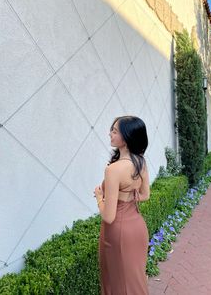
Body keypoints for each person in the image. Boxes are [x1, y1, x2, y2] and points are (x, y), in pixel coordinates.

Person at [93, 115, 150, 295]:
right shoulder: (140, 162)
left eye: (115, 131)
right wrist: (127, 196)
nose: (110, 133)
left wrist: (99, 197)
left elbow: (108, 216)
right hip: (137, 227)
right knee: (134, 281)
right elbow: (144, 195)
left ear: (125, 138)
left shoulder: (113, 169)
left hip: (118, 233)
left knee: (117, 284)